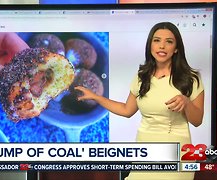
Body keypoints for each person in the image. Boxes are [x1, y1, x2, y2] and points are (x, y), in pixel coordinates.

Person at [75, 22, 204, 180]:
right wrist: (96, 97)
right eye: (156, 40)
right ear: (150, 45)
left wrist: (186, 102)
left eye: (169, 42)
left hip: (175, 154)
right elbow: (126, 110)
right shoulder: (142, 77)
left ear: (176, 48)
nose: (162, 46)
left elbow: (197, 120)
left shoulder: (191, 78)